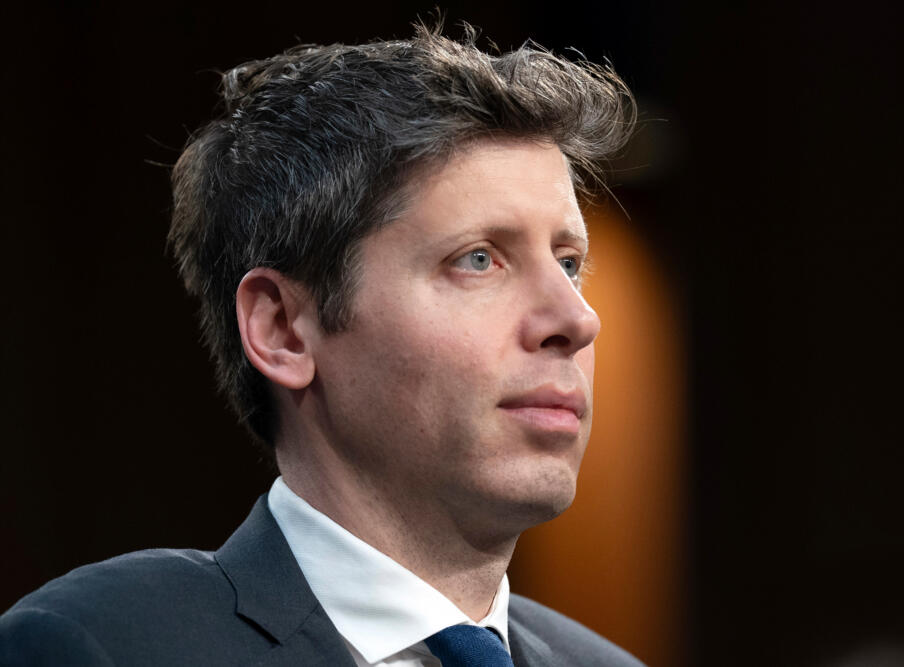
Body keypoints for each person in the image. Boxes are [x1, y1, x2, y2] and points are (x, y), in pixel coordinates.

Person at [0, 23, 640, 666]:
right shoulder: (102, 646)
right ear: (283, 330)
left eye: (568, 264)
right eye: (478, 259)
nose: (578, 319)